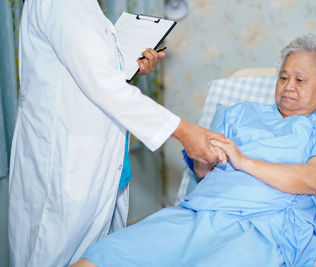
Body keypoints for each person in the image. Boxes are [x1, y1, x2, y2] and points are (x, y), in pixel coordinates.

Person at [71, 34, 316, 267]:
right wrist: (202, 159)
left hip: (264, 227)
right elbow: (202, 171)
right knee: (99, 258)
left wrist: (243, 161)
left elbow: (315, 180)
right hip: (197, 214)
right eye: (283, 78)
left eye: (300, 80)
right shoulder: (239, 113)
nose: (288, 87)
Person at [8, 1, 226, 266]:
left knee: (99, 255)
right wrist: (183, 131)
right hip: (64, 163)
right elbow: (101, 83)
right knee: (54, 254)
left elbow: (87, 70)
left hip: (97, 156)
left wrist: (128, 67)